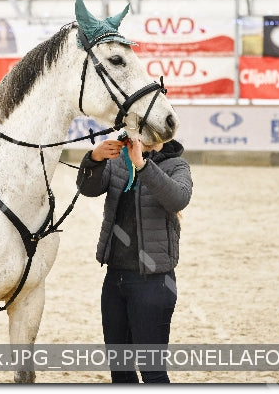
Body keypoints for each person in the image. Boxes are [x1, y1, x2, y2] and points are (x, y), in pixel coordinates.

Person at [76, 133, 193, 383]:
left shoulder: (177, 165)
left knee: (152, 373)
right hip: (115, 278)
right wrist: (94, 159)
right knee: (120, 371)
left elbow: (178, 198)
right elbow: (88, 189)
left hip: (154, 282)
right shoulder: (118, 161)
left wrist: (143, 165)